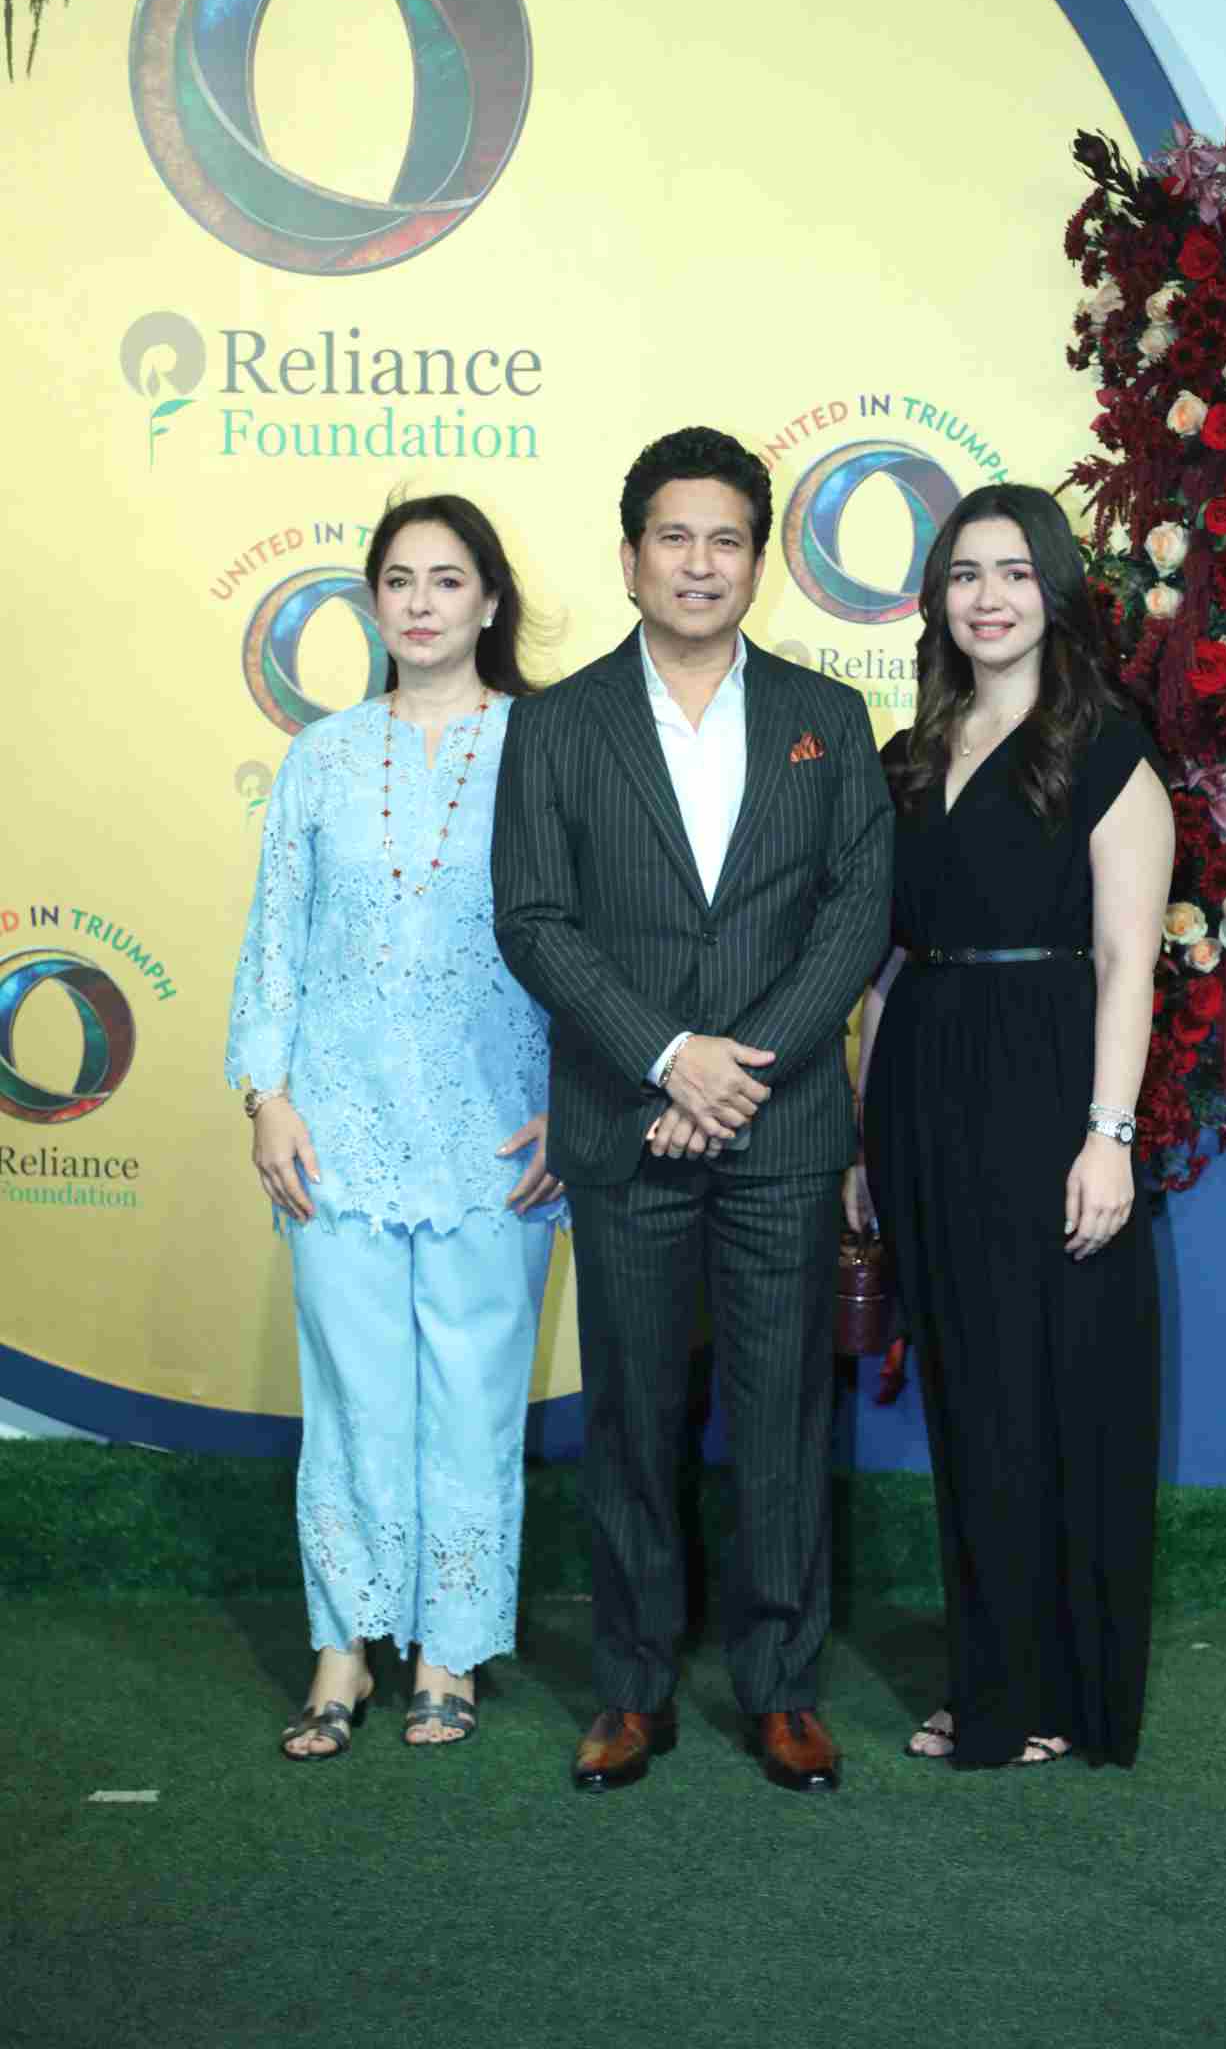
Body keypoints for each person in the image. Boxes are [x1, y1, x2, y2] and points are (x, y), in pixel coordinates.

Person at [492, 426, 893, 1793]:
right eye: (674, 536)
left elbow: (853, 914)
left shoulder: (826, 715)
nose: (700, 562)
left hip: (778, 1130)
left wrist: (735, 1071)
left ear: (758, 561)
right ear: (629, 558)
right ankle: (632, 1686)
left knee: (780, 1413)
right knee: (633, 1414)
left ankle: (782, 1688)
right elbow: (534, 920)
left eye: (726, 539)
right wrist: (668, 1058)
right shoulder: (556, 724)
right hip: (628, 1121)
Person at [227, 493, 564, 1761]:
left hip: (498, 1132)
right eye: (399, 580)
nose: (421, 602)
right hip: (336, 1130)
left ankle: (449, 1649)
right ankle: (343, 1646)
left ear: (489, 600)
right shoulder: (322, 755)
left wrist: (573, 1106)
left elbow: (587, 944)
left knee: (474, 1395)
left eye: (447, 578)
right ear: (373, 603)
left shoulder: (545, 747)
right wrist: (267, 1095)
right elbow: (275, 937)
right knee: (352, 1393)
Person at [847, 483, 1173, 1770]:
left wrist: (1107, 1134)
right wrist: (862, 1136)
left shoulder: (1104, 747)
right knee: (964, 1394)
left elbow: (1126, 959)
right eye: (964, 574)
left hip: (1044, 1087)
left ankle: (1040, 1691)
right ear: (936, 598)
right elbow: (880, 963)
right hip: (920, 1083)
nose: (987, 597)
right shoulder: (909, 751)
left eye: (1013, 572)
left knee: (1038, 1392)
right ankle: (988, 1673)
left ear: (1055, 590)